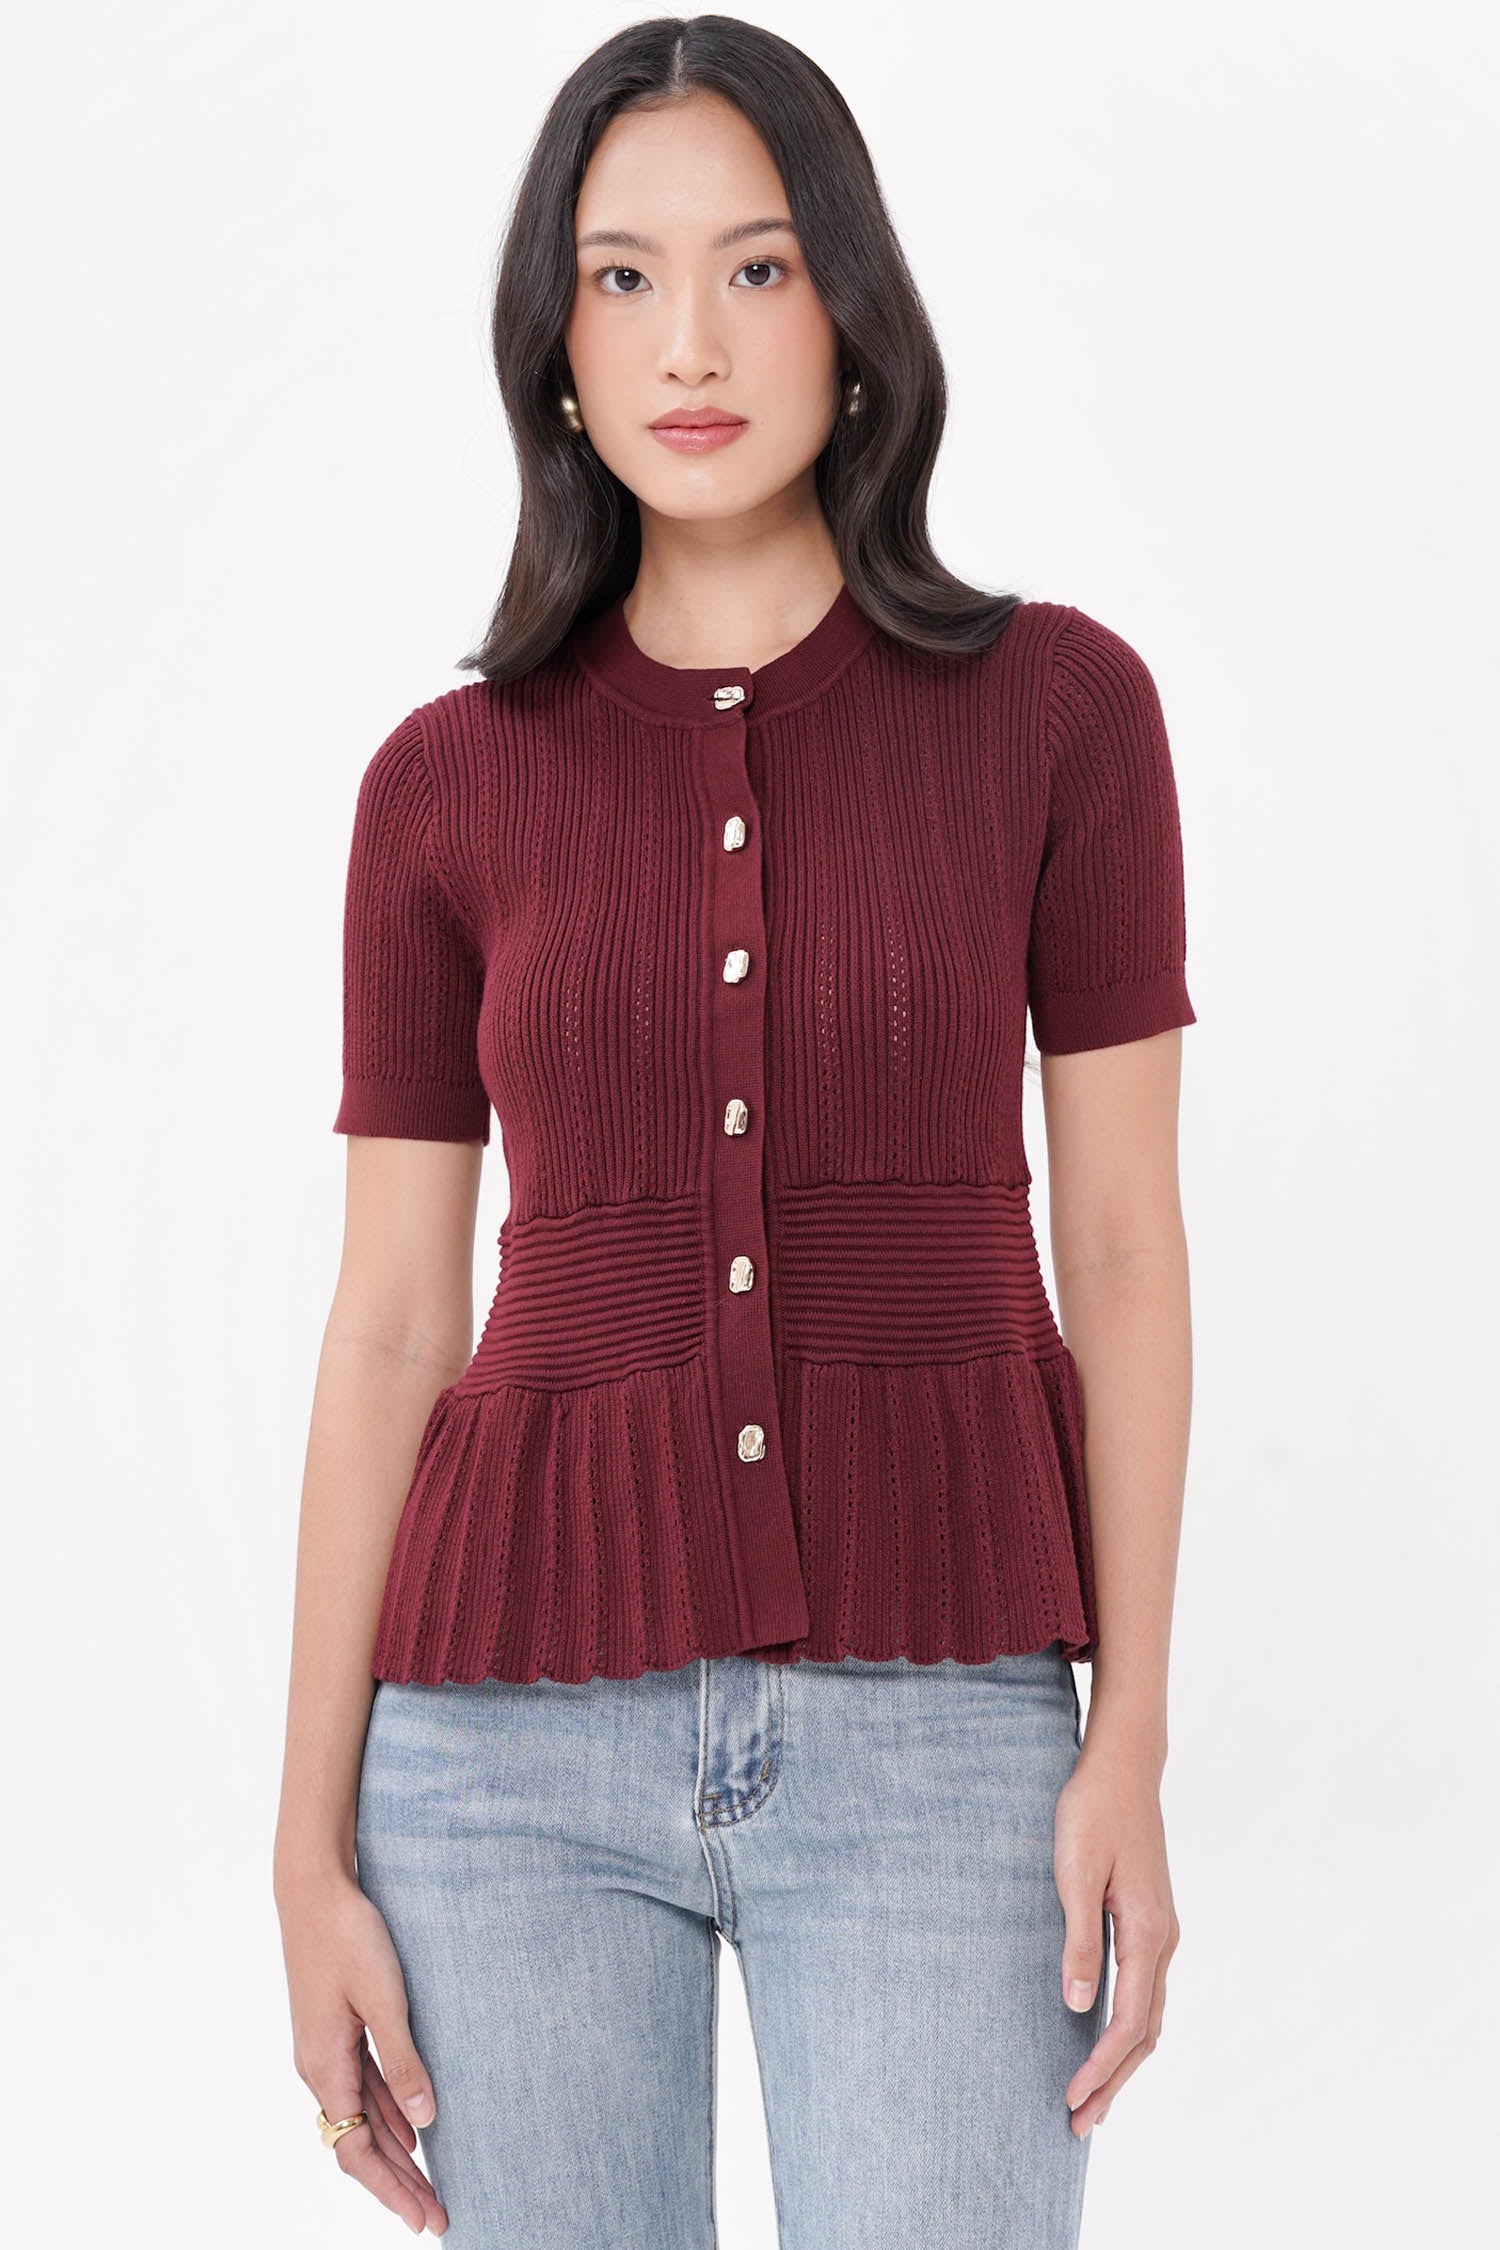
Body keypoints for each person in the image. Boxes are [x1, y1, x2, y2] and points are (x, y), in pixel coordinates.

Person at [274, 17, 1194, 2246]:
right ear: (557, 347)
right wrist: (305, 1850)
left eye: (758, 268)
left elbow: (1126, 1250)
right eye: (623, 277)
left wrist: (1131, 1738)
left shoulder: (1062, 713)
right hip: (497, 1755)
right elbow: (391, 1323)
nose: (689, 340)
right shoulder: (440, 788)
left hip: (946, 1730)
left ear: (854, 311)